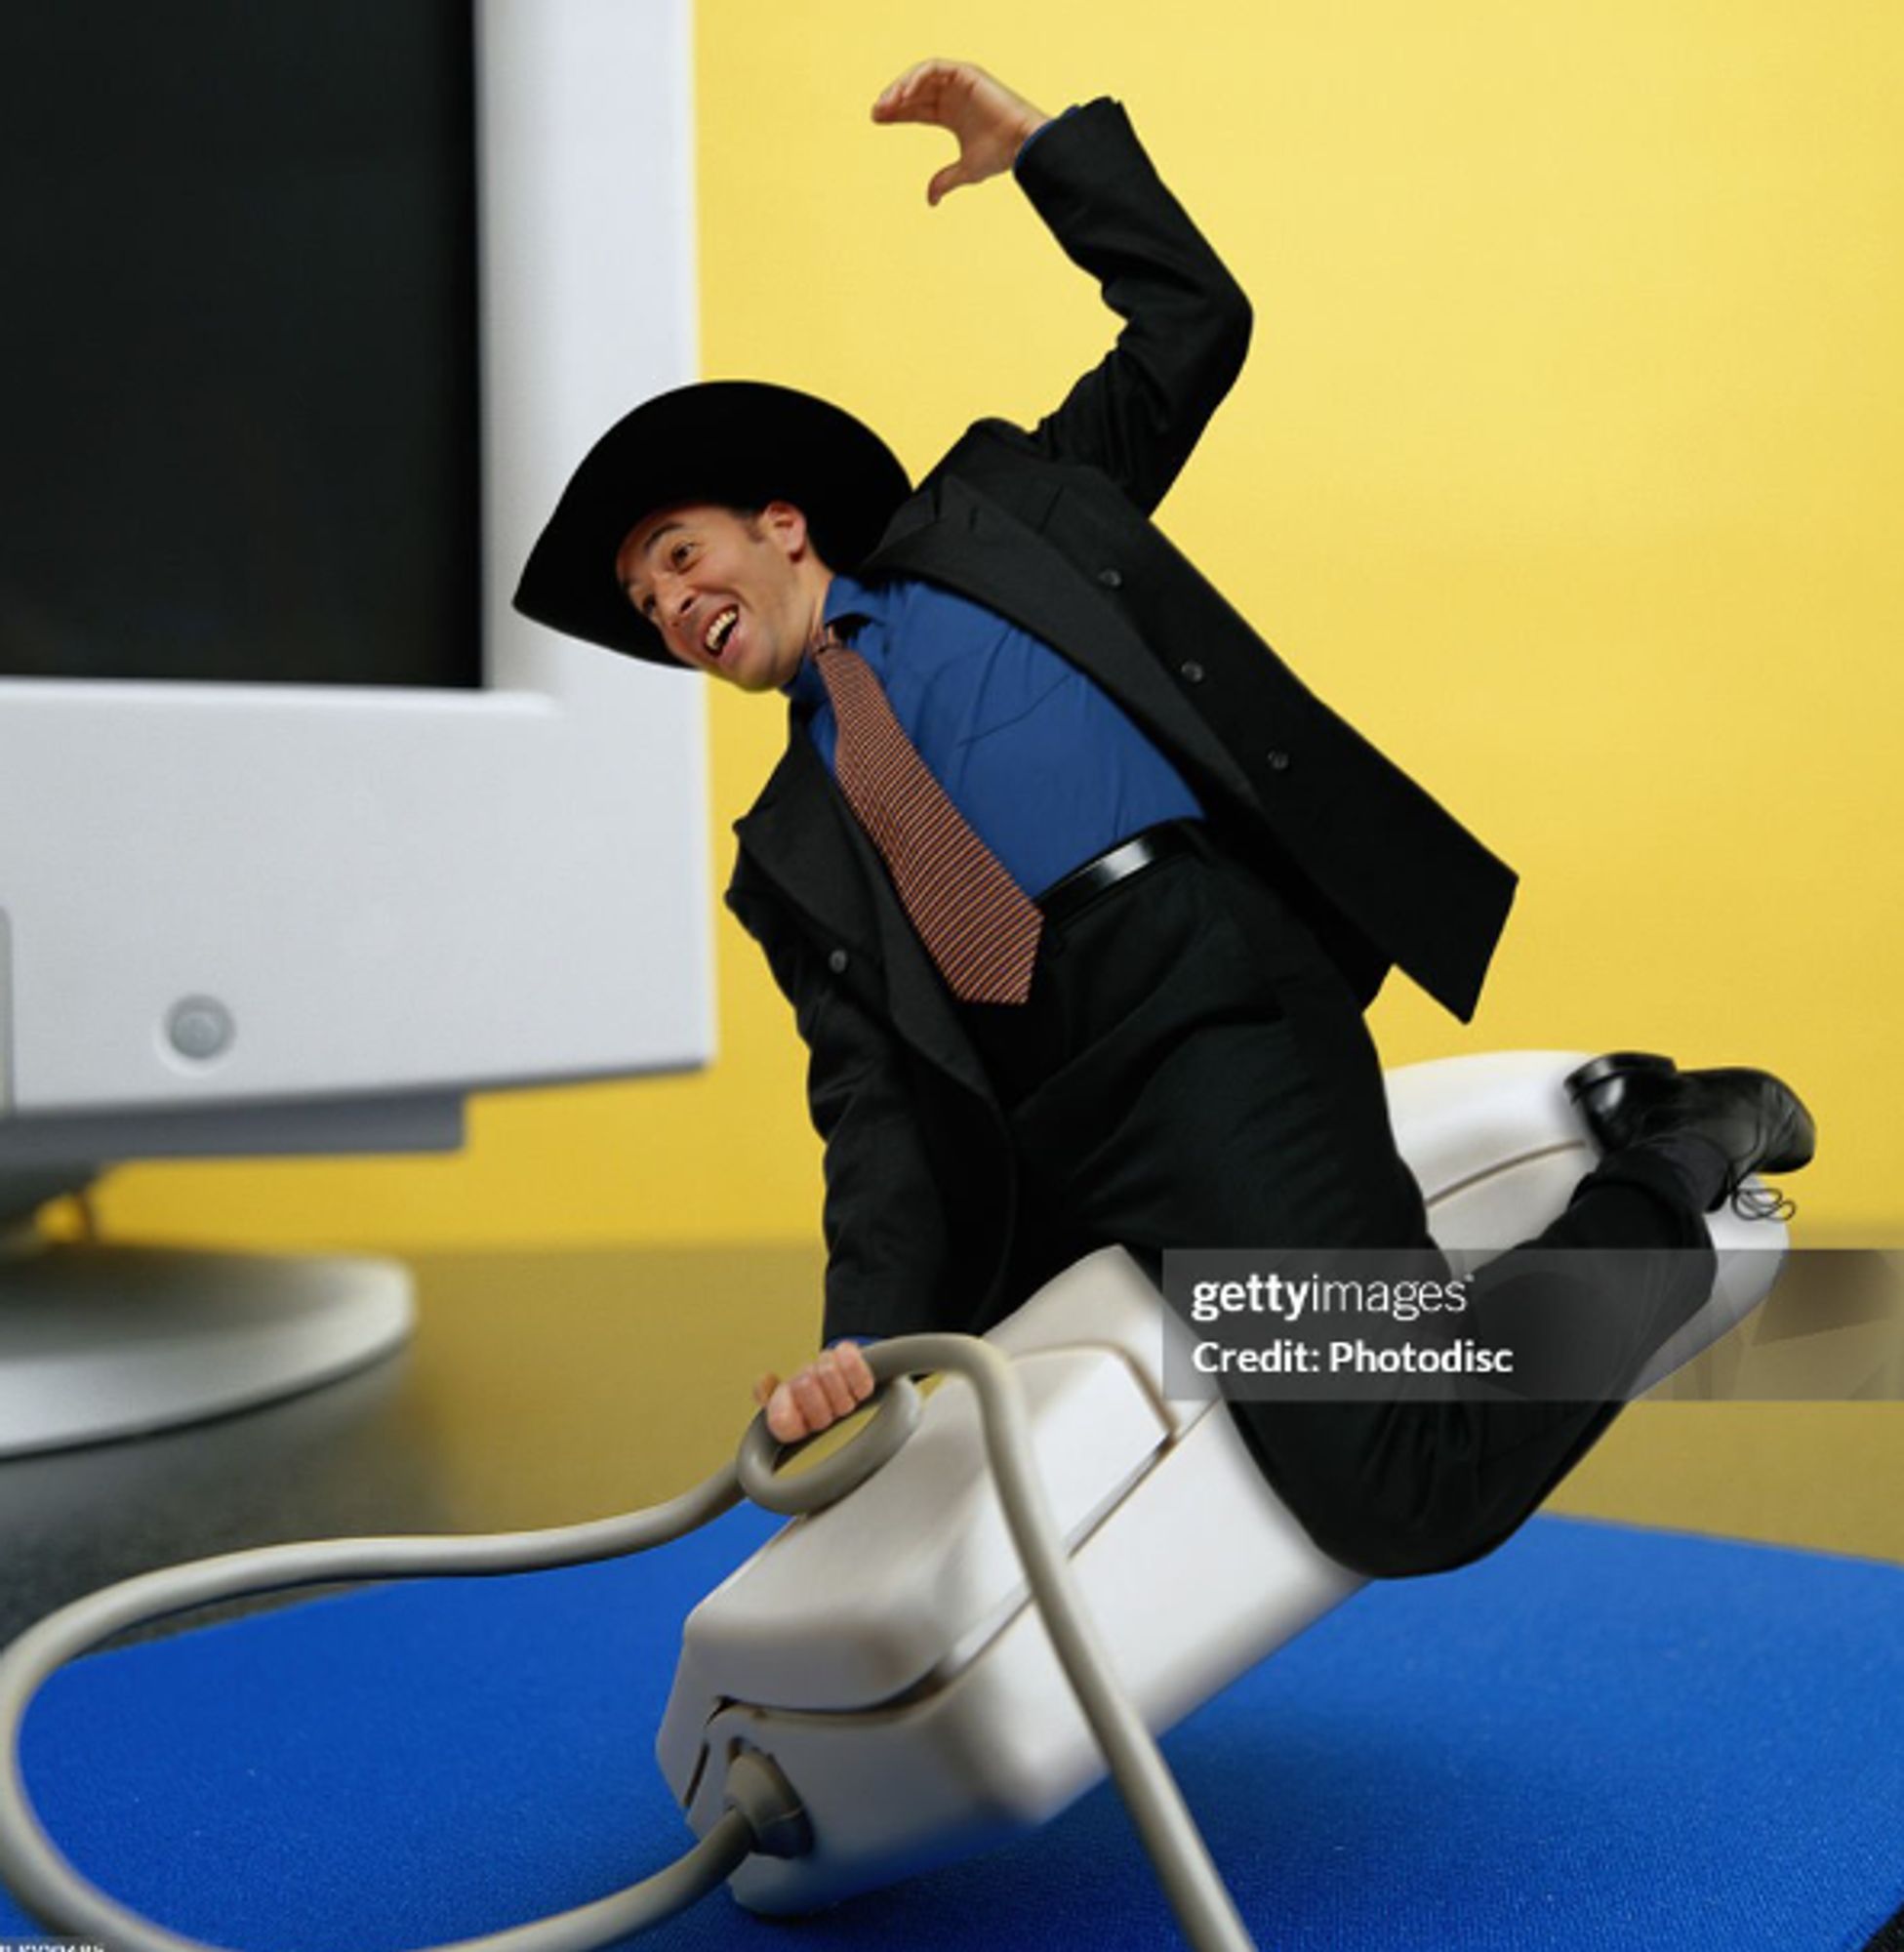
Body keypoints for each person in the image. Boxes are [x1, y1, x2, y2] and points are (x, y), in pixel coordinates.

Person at [514, 60, 1813, 1577]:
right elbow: (873, 1115)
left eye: (678, 554)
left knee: (1400, 1478)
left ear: (780, 525)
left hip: (1203, 1007)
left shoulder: (1004, 521)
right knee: (1100, 1471)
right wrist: (854, 1348)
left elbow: (1198, 323)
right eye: (645, 602)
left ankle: (1673, 1151)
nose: (672, 604)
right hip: (1055, 1133)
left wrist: (1048, 156)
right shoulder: (788, 848)